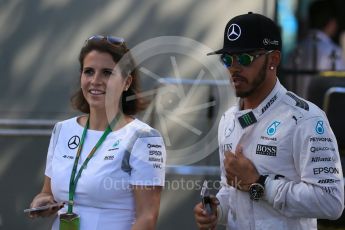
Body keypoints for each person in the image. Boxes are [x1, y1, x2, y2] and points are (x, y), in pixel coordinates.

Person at [194, 12, 344, 230]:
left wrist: (260, 183)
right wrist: (218, 211)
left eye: (244, 58)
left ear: (273, 59)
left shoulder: (306, 119)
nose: (234, 68)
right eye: (227, 59)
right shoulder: (228, 120)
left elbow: (331, 201)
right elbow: (232, 190)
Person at [28, 35, 166, 230]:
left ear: (126, 82)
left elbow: (147, 217)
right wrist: (43, 201)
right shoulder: (62, 130)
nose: (95, 80)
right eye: (89, 71)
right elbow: (47, 192)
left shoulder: (144, 138)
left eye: (107, 73)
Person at [285, 0, 345, 98]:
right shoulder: (334, 52)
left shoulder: (293, 52)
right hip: (322, 112)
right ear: (331, 22)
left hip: (293, 110)